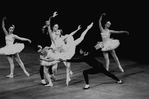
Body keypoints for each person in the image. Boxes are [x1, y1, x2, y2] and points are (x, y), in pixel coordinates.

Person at [43, 11, 94, 86]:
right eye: (56, 29)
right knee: (57, 65)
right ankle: (57, 76)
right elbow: (50, 31)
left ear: (60, 33)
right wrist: (50, 20)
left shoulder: (63, 38)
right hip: (60, 51)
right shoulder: (54, 38)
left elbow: (71, 35)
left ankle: (66, 77)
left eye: (58, 30)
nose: (57, 30)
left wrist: (80, 29)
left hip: (67, 49)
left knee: (81, 38)